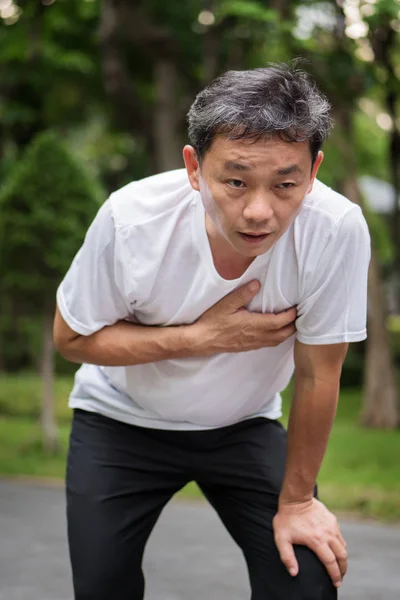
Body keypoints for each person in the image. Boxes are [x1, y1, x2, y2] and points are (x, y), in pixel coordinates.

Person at [54, 63, 370, 600]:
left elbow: (319, 374)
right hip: (121, 424)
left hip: (242, 426)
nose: (259, 211)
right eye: (236, 181)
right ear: (194, 168)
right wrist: (199, 338)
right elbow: (71, 339)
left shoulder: (335, 229)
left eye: (286, 184)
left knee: (307, 580)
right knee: (103, 587)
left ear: (314, 171)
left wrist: (297, 503)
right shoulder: (132, 222)